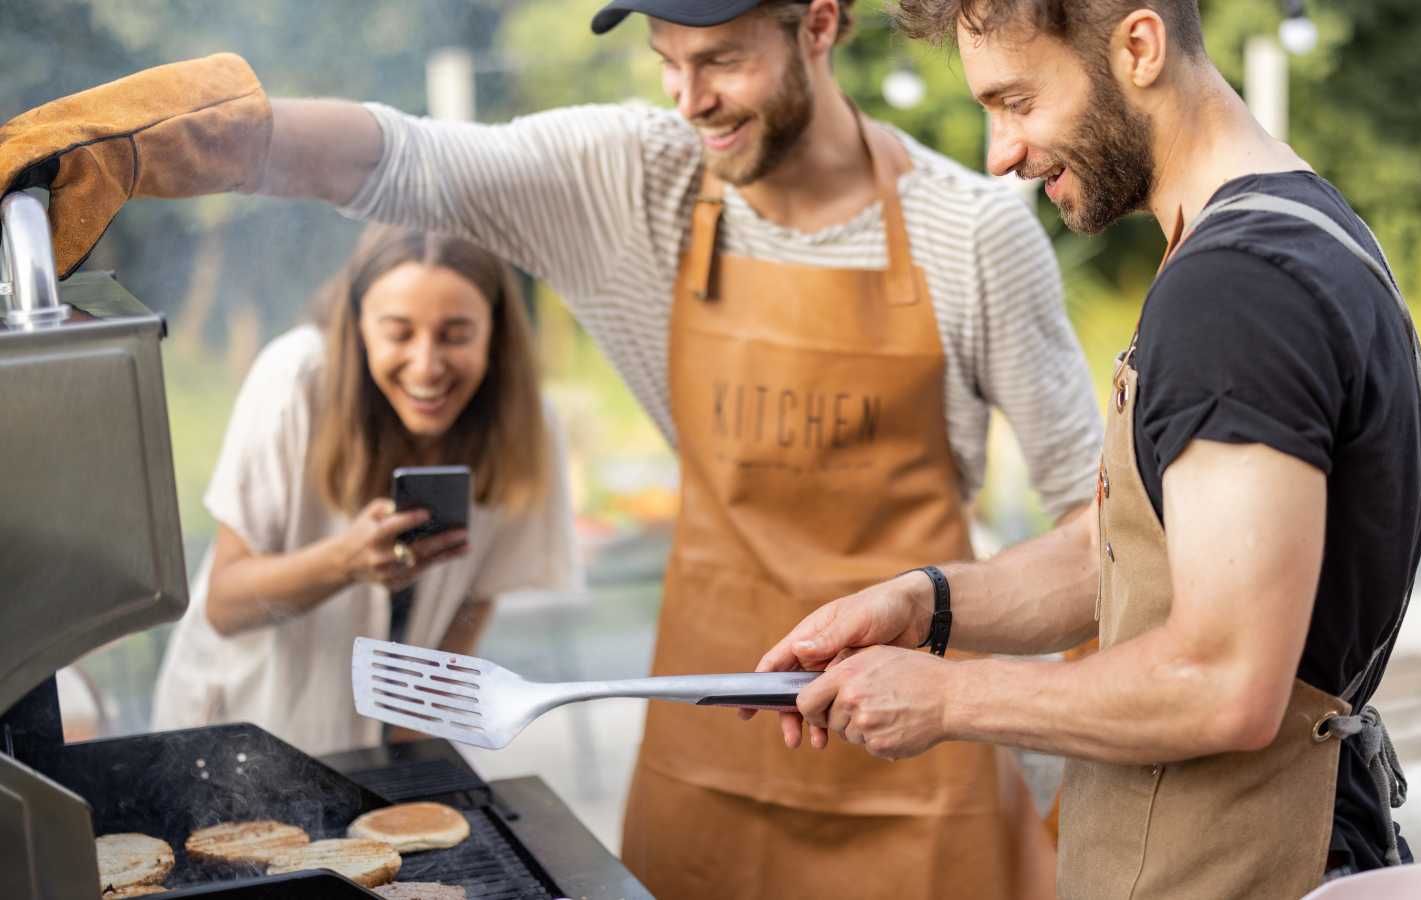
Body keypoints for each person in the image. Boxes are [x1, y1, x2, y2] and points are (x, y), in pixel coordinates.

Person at [0, 1, 1103, 897]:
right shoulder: (638, 177)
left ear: (819, 25)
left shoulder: (974, 232)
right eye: (667, 62)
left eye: (720, 60)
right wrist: (192, 139)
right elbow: (404, 160)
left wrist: (1062, 755)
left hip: (913, 750)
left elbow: (1086, 515)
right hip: (706, 758)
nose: (690, 101)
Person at [753, 1, 1421, 897]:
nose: (1002, 154)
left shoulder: (1239, 294)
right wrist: (925, 606)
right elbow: (1127, 549)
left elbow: (1224, 679)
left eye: (1017, 100)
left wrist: (951, 698)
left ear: (1139, 47)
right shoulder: (1292, 226)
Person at [149, 224, 579, 755]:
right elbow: (225, 604)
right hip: (244, 731)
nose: (426, 365)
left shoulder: (528, 422)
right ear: (357, 327)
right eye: (399, 333)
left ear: (495, 332)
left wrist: (409, 742)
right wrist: (344, 563)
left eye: (455, 334)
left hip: (383, 742)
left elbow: (474, 602)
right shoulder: (295, 379)